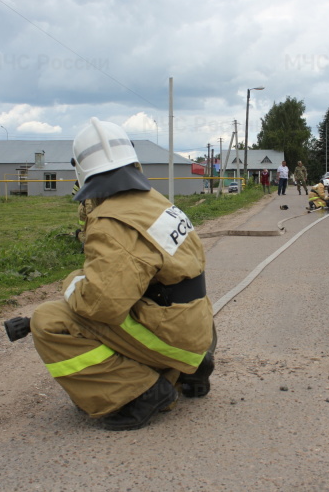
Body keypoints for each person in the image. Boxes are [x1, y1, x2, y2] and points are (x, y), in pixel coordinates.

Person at [30, 117, 216, 431]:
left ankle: (140, 394)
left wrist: (73, 283)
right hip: (197, 325)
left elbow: (102, 306)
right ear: (133, 160)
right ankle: (185, 368)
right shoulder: (155, 202)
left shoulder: (111, 222)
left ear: (81, 169)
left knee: (49, 321)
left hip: (171, 332)